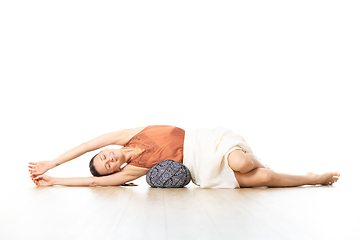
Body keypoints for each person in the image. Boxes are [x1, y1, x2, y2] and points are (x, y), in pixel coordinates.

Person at [29, 125, 340, 188]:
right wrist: (54, 180)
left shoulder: (127, 135)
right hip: (202, 170)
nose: (108, 159)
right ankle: (314, 178)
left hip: (206, 142)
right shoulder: (134, 169)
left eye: (103, 156)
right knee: (265, 180)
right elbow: (91, 183)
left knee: (243, 163)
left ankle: (254, 156)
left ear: (105, 149)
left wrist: (51, 161)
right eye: (107, 166)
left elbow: (84, 145)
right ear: (115, 170)